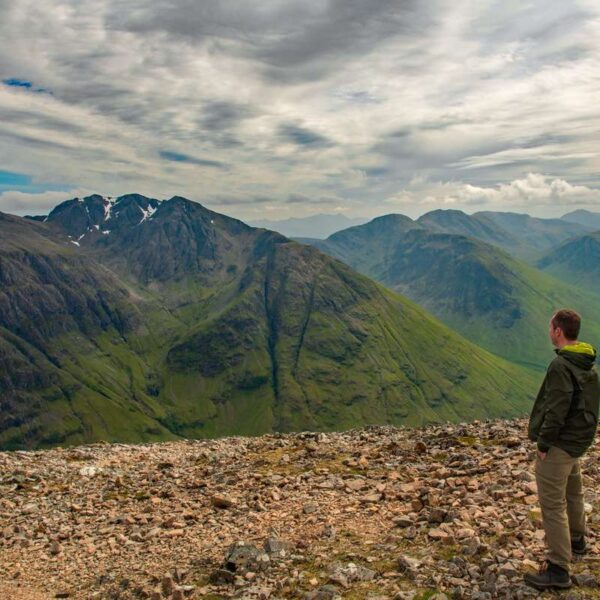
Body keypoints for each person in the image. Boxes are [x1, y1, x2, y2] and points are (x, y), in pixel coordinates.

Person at [524, 309, 600, 590]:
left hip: (559, 444)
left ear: (558, 331)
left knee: (553, 503)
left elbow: (556, 407)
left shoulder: (561, 365)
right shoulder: (585, 359)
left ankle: (558, 568)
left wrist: (544, 443)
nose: (549, 331)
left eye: (550, 327)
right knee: (573, 490)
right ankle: (577, 540)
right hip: (576, 440)